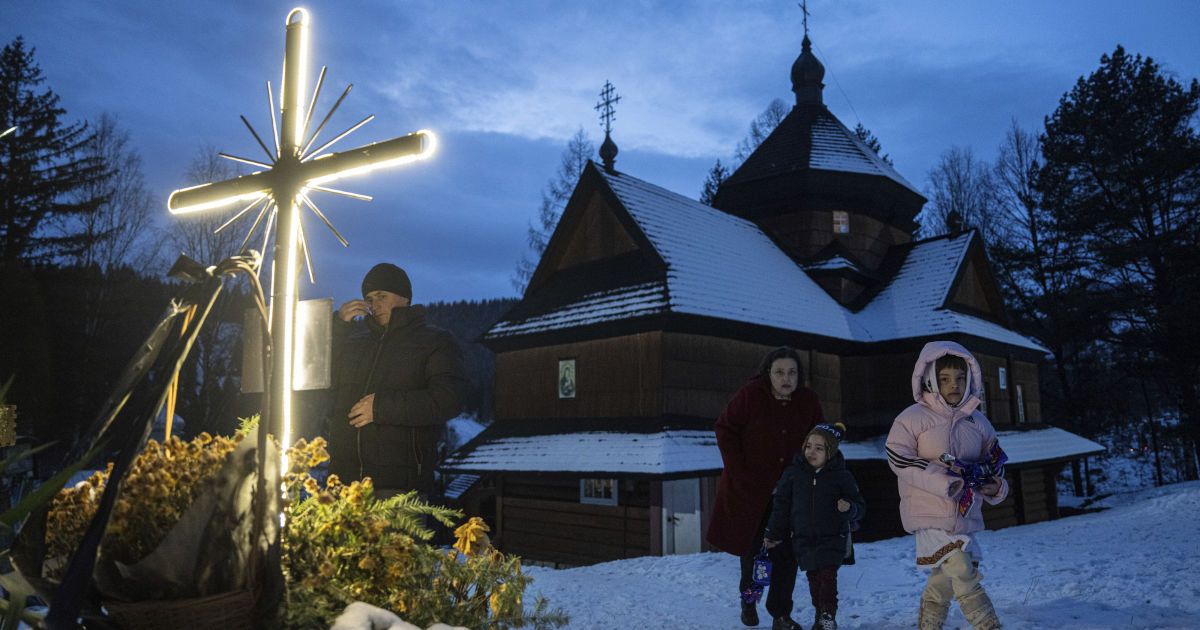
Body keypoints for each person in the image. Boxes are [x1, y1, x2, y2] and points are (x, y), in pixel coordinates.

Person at [886, 341, 1007, 630]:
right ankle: (987, 624)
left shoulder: (978, 422)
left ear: (970, 380)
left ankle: (929, 622)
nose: (954, 385)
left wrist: (995, 486)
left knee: (947, 575)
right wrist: (943, 482)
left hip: (965, 513)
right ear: (929, 379)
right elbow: (897, 458)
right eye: (945, 379)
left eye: (960, 378)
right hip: (929, 513)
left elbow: (995, 460)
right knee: (962, 568)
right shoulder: (912, 418)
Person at [708, 346, 826, 630]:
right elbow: (724, 429)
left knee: (787, 556)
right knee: (755, 555)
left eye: (792, 372)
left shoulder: (808, 401)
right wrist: (739, 470)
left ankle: (781, 615)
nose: (786, 378)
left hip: (790, 495)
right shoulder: (750, 396)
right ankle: (749, 600)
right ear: (768, 373)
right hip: (751, 494)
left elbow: (821, 438)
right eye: (780, 372)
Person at [327, 262, 467, 500]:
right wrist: (338, 328)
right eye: (369, 298)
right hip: (345, 485)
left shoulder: (435, 341)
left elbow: (448, 399)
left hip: (398, 488)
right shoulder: (356, 344)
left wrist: (381, 407)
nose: (374, 304)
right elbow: (319, 379)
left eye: (382, 295)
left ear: (405, 298)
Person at [763, 422, 864, 630]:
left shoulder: (841, 477)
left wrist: (849, 508)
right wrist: (773, 533)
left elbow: (860, 506)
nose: (811, 452)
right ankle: (820, 612)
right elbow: (780, 506)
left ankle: (827, 616)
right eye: (808, 446)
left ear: (831, 452)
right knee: (814, 579)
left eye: (819, 448)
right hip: (802, 538)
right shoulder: (793, 474)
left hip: (833, 538)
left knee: (828, 578)